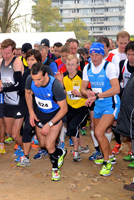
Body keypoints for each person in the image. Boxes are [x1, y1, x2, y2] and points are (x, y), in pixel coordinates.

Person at [81, 42, 120, 176]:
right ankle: (110, 155)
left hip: (111, 103)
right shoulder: (88, 68)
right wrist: (89, 94)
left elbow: (116, 88)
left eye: (97, 54)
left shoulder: (109, 67)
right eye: (92, 54)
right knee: (98, 133)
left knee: (98, 132)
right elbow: (82, 89)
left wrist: (97, 95)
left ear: (102, 55)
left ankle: (107, 162)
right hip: (98, 104)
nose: (94, 57)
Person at [25, 62, 67, 181]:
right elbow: (27, 94)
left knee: (49, 145)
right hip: (40, 115)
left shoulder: (55, 86)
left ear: (46, 75)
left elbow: (64, 109)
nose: (36, 83)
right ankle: (60, 152)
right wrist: (31, 112)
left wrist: (49, 124)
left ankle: (55, 170)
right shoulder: (30, 79)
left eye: (39, 79)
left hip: (55, 116)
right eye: (34, 79)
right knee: (42, 145)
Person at [17, 49, 54, 167]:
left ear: (38, 60)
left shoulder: (46, 70)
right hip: (31, 105)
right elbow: (22, 90)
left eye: (32, 59)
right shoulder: (27, 72)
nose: (29, 62)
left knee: (46, 134)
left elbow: (51, 87)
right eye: (27, 59)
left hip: (46, 105)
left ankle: (50, 149)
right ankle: (26, 157)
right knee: (27, 128)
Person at [0, 39, 24, 161]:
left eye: (8, 53)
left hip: (19, 102)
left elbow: (18, 85)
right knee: (9, 131)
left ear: (14, 52)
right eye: (3, 53)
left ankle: (25, 152)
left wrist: (1, 90)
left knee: (16, 134)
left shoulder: (17, 63)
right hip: (7, 101)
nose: (5, 56)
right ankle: (23, 146)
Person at [56, 55, 89, 161]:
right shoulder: (63, 76)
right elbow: (59, 94)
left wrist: (80, 94)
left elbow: (90, 92)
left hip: (82, 107)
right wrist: (60, 84)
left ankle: (75, 151)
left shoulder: (82, 76)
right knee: (73, 127)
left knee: (73, 126)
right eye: (68, 64)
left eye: (72, 65)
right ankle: (83, 147)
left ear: (77, 66)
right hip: (70, 107)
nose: (70, 67)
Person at [116, 41, 134, 167]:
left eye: (133, 54)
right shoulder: (122, 64)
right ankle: (131, 151)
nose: (131, 57)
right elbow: (118, 80)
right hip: (124, 100)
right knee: (127, 129)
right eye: (128, 54)